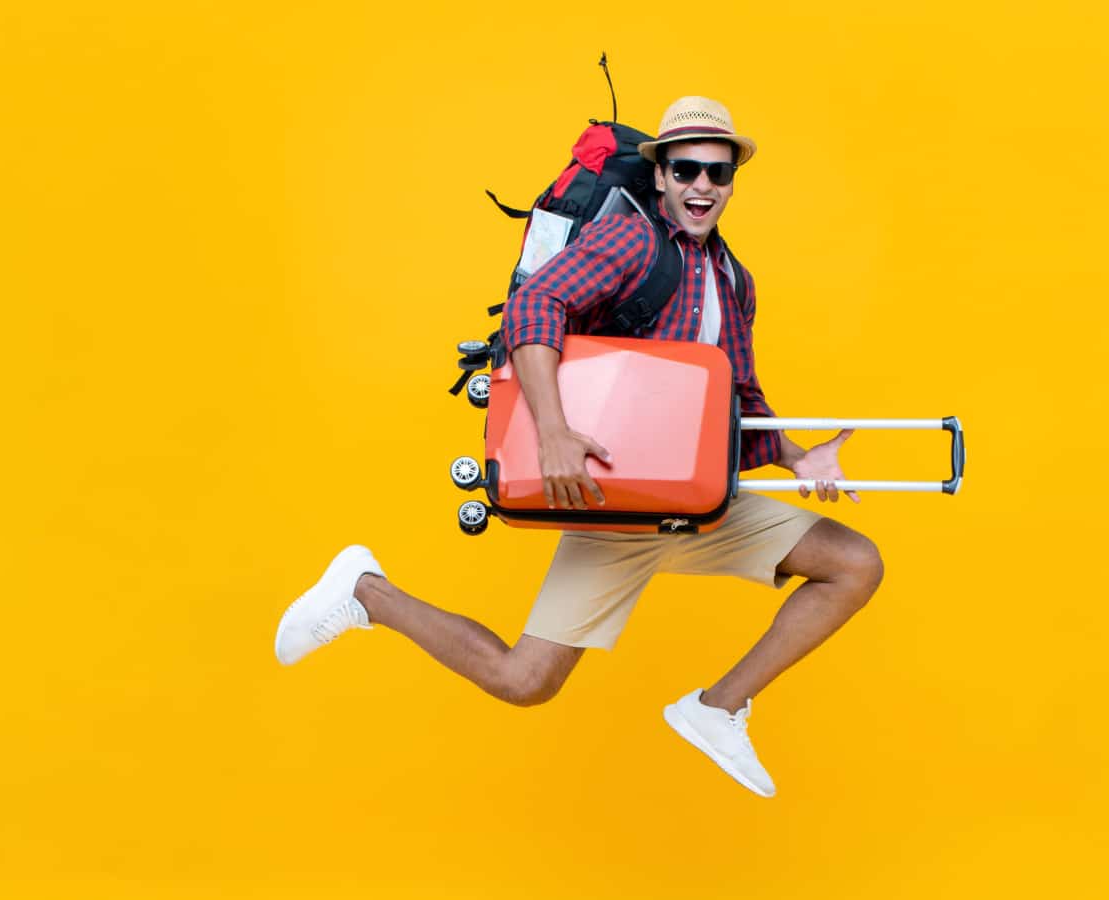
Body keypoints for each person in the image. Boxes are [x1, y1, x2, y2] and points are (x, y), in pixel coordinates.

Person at [274, 97, 884, 798]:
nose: (701, 187)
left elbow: (739, 398)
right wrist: (555, 430)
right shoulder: (632, 242)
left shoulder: (733, 279)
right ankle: (365, 590)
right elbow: (537, 305)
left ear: (732, 182)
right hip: (615, 504)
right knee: (523, 681)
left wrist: (797, 458)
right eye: (686, 169)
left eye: (717, 173)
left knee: (853, 563)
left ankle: (716, 708)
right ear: (660, 176)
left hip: (698, 504)